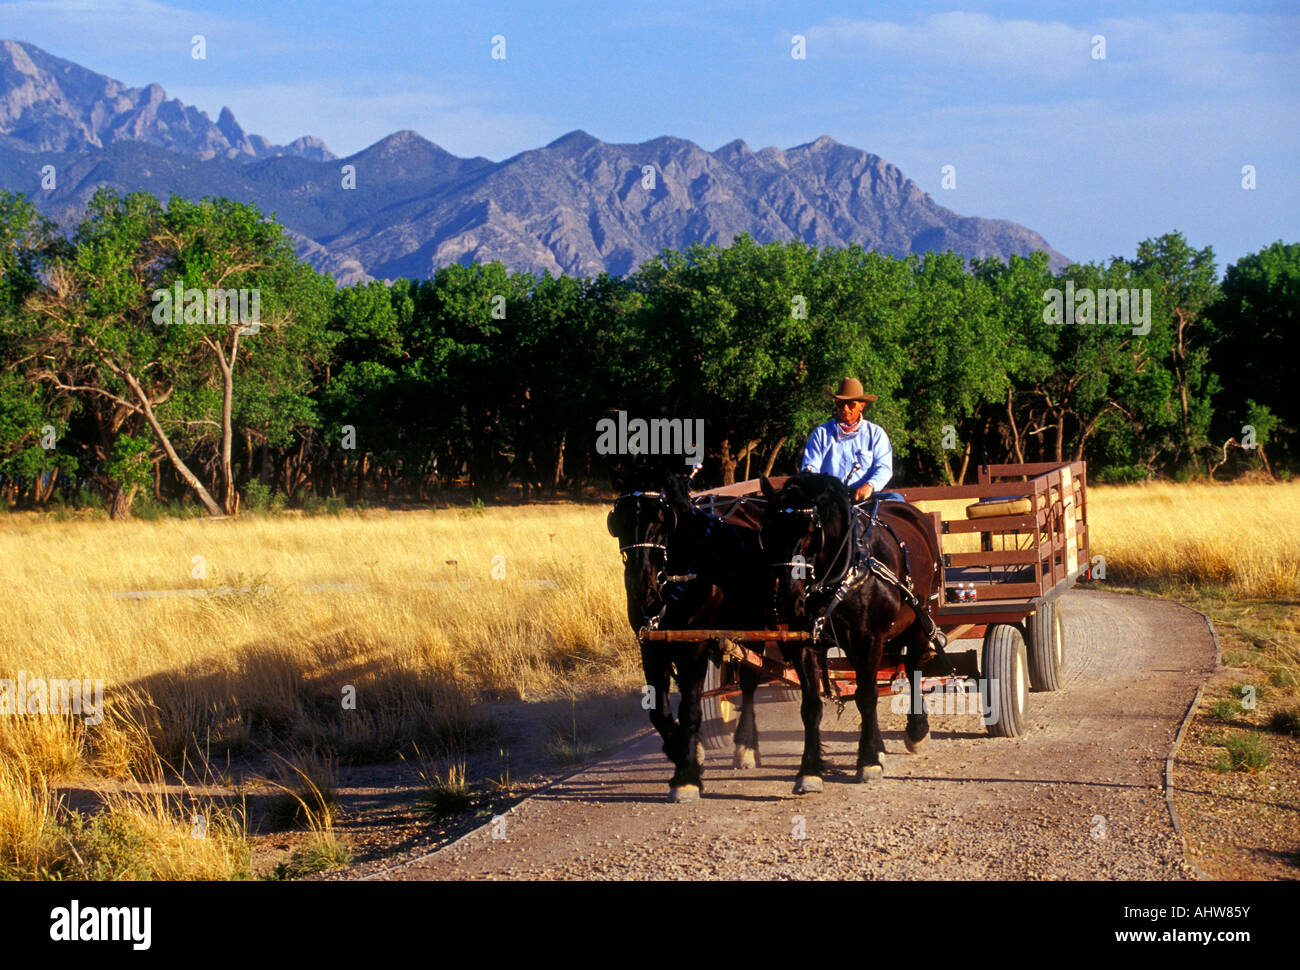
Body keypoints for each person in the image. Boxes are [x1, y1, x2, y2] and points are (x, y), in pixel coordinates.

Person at [801, 377, 898, 503]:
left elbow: (884, 468)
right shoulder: (821, 434)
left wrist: (870, 486)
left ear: (862, 406)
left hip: (865, 498)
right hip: (830, 499)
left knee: (897, 500)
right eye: (840, 404)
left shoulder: (875, 433)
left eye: (851, 404)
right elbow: (810, 469)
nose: (845, 409)